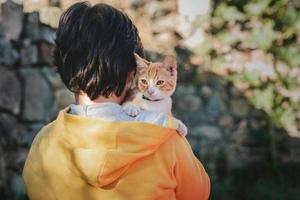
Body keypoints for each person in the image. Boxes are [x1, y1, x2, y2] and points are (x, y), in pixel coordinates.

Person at [22, 2, 210, 200]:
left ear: (63, 67)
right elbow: (199, 194)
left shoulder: (43, 144)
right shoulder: (165, 139)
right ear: (131, 75)